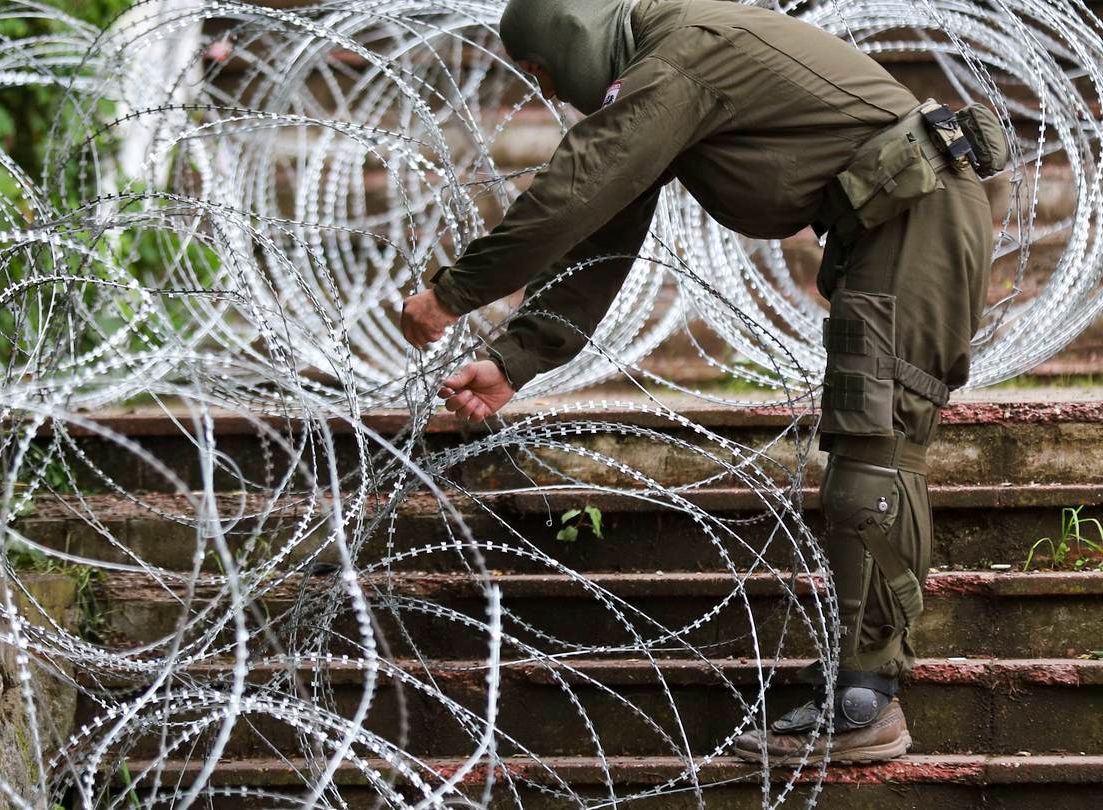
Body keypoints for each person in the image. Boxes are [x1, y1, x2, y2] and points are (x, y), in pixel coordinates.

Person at [400, 0, 1002, 764]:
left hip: (916, 217)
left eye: (544, 73)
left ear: (568, 36)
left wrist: (452, 292)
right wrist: (518, 358)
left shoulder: (683, 53)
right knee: (868, 446)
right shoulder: (667, 64)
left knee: (874, 452)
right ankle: (861, 683)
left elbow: (577, 186)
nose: (550, 93)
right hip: (896, 218)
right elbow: (605, 220)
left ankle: (866, 702)